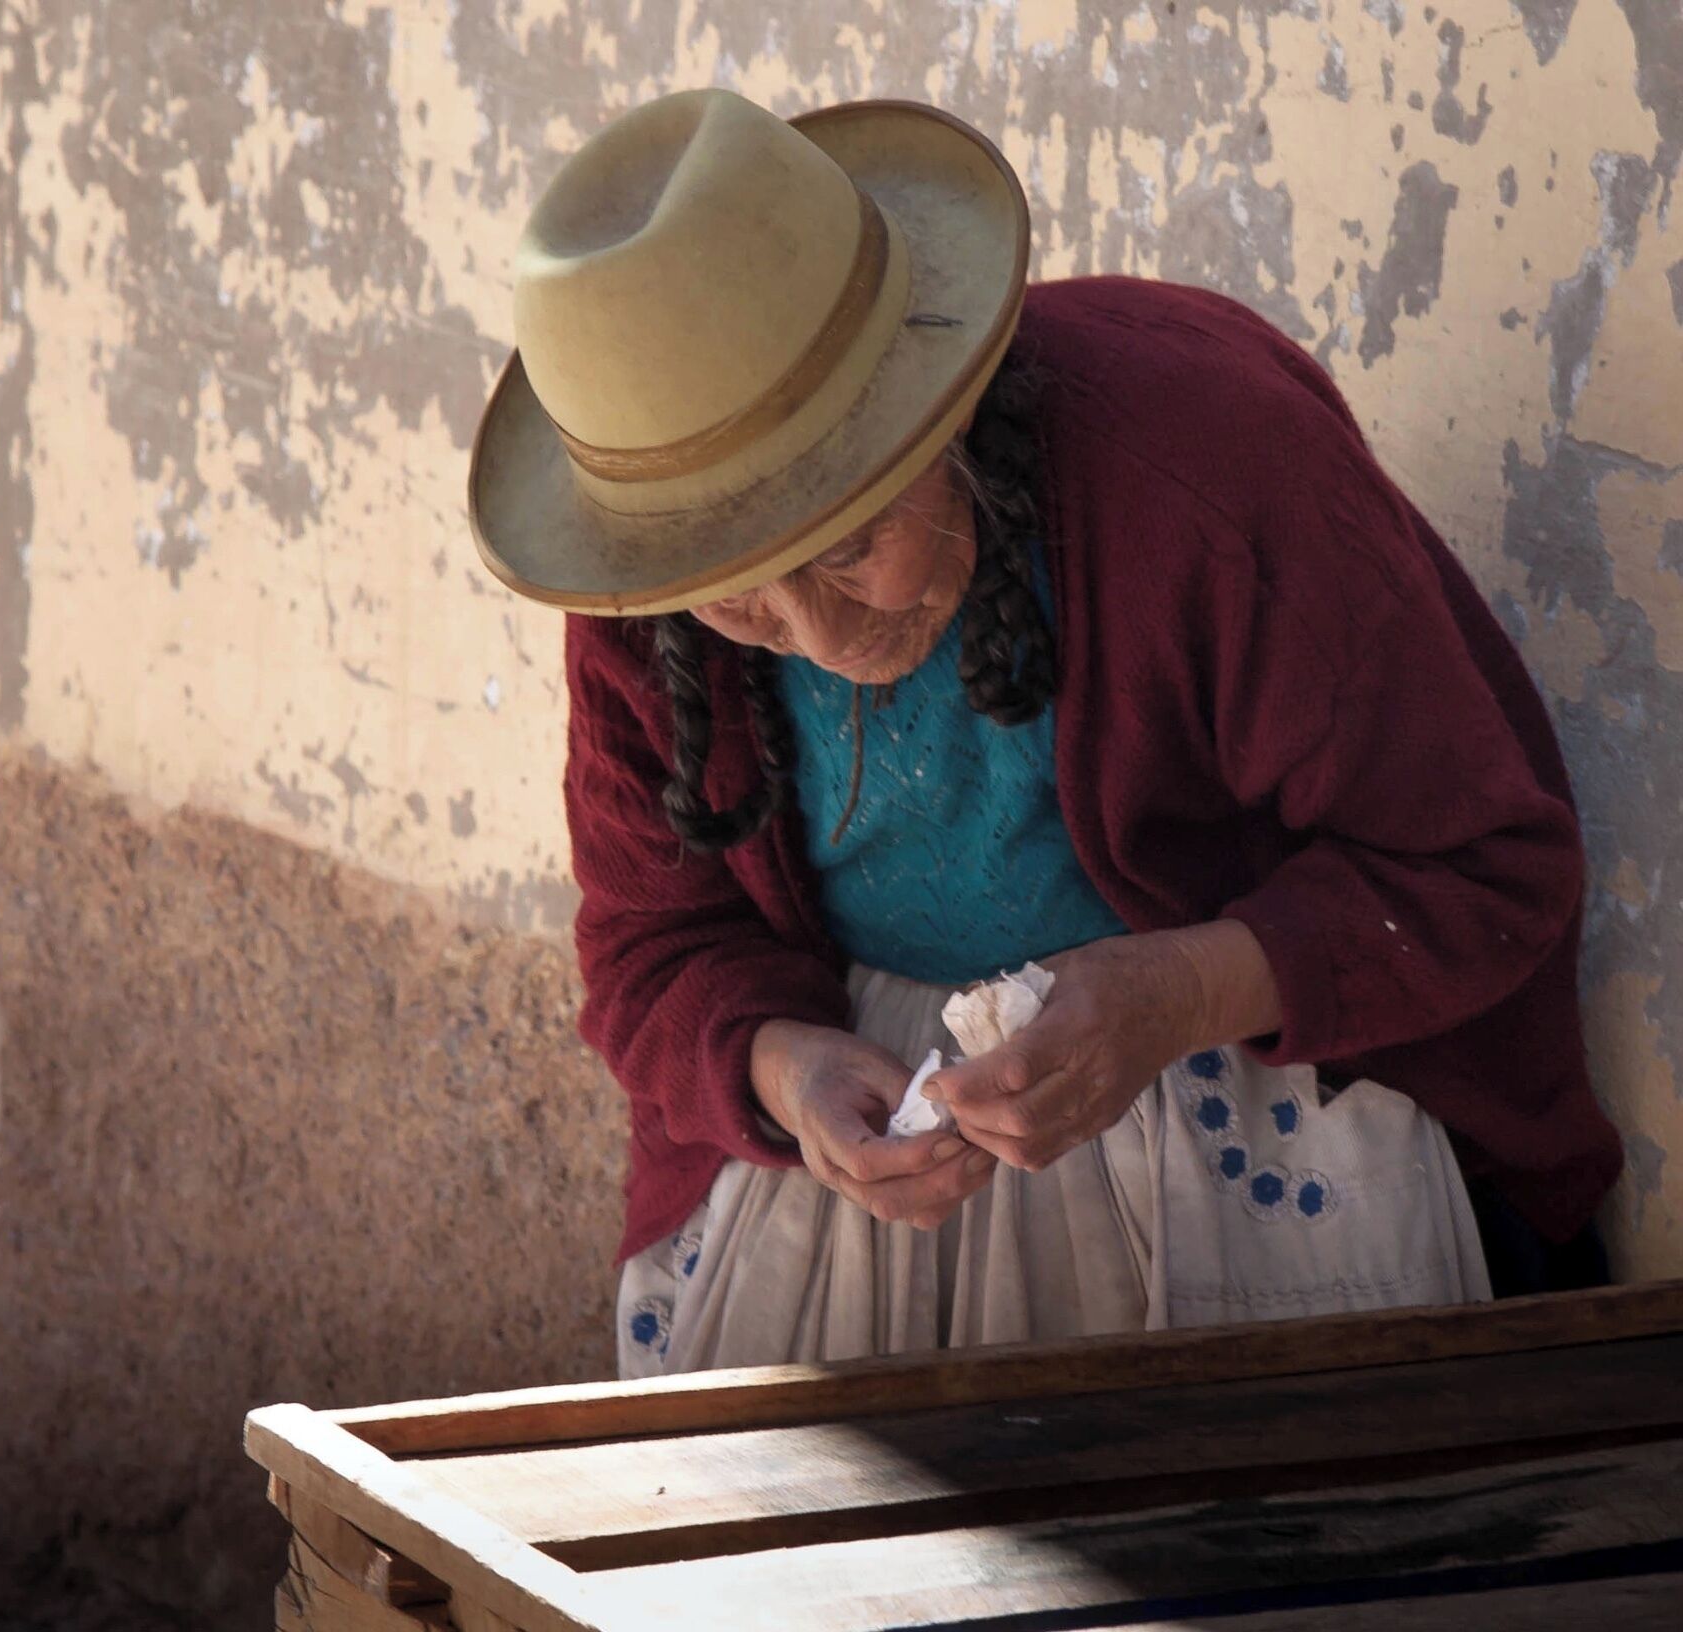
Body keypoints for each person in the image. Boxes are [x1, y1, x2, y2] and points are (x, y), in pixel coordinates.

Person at [463, 89, 1622, 1378]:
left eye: (851, 547)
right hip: (881, 1168)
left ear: (944, 412)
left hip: (1242, 1081)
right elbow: (650, 944)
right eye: (740, 590)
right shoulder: (657, 585)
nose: (816, 633)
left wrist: (1180, 990)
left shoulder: (1205, 466)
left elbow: (1482, 872)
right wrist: (784, 1073)